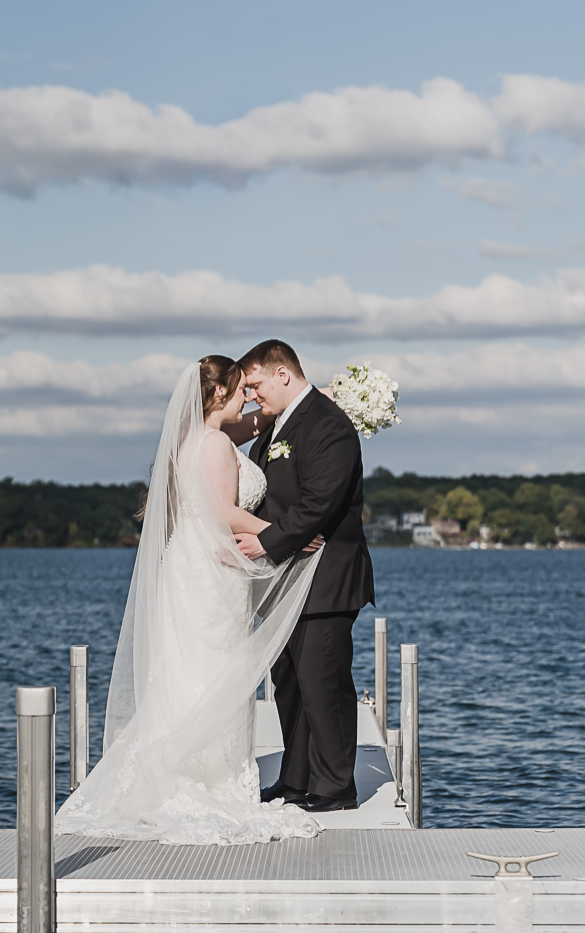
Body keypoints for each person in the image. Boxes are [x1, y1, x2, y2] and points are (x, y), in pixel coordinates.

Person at [55, 355, 324, 845]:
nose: (248, 397)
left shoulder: (190, 442)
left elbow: (239, 436)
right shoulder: (217, 442)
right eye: (242, 389)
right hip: (213, 571)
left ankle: (179, 770)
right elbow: (223, 513)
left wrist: (308, 402)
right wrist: (288, 533)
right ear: (219, 394)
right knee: (215, 668)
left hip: (189, 566)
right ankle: (211, 780)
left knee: (186, 668)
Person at [225, 339, 375, 813]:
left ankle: (335, 787)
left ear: (283, 375)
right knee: (288, 680)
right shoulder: (275, 428)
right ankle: (295, 779)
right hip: (286, 578)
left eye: (254, 385)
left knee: (323, 682)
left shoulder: (329, 426)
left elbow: (319, 502)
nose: (251, 396)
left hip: (327, 579)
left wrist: (266, 541)